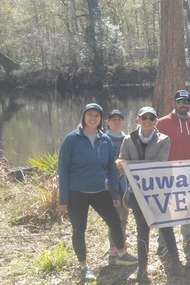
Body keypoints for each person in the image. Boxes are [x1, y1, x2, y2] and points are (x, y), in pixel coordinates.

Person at [58, 103, 138, 282]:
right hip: (76, 192)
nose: (93, 118)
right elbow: (62, 169)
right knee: (79, 229)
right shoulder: (72, 139)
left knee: (115, 222)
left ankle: (121, 254)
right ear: (84, 116)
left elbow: (111, 167)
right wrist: (63, 198)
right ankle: (84, 267)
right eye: (90, 114)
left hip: (100, 190)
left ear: (101, 119)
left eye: (97, 115)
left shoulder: (105, 139)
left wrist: (115, 194)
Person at [119, 107, 185, 281]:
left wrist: (131, 164)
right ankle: (142, 268)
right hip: (136, 193)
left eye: (152, 117)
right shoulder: (127, 139)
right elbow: (122, 165)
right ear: (138, 119)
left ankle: (176, 261)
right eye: (144, 117)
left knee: (166, 227)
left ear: (156, 120)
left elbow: (159, 163)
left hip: (158, 192)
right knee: (142, 230)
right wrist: (124, 165)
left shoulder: (164, 139)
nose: (148, 120)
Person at [155, 90, 190, 251]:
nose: (184, 104)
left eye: (187, 101)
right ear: (174, 103)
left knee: (189, 206)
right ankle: (163, 243)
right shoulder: (162, 123)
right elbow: (155, 148)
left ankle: (188, 238)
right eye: (180, 101)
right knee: (167, 207)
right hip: (169, 172)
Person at [104, 109, 130, 258]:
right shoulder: (103, 138)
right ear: (108, 122)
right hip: (110, 183)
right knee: (115, 215)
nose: (117, 121)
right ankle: (114, 245)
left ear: (123, 122)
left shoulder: (127, 138)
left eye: (119, 119)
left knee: (124, 214)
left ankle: (122, 241)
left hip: (125, 183)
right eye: (113, 119)